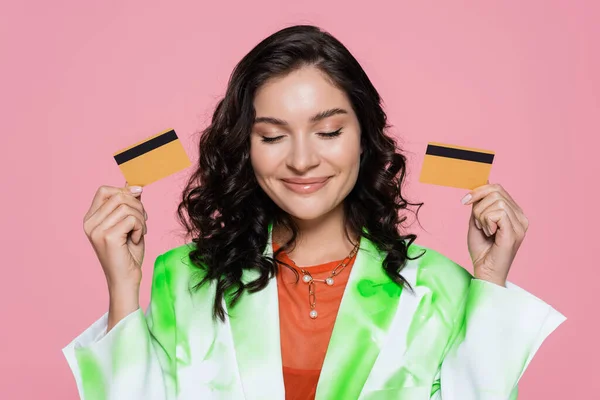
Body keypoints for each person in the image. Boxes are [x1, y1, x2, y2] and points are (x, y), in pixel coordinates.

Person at [62, 25, 565, 400]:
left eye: (328, 132)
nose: (302, 160)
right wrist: (123, 289)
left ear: (366, 139)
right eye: (273, 136)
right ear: (246, 147)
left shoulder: (439, 288)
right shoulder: (188, 279)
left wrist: (491, 279)